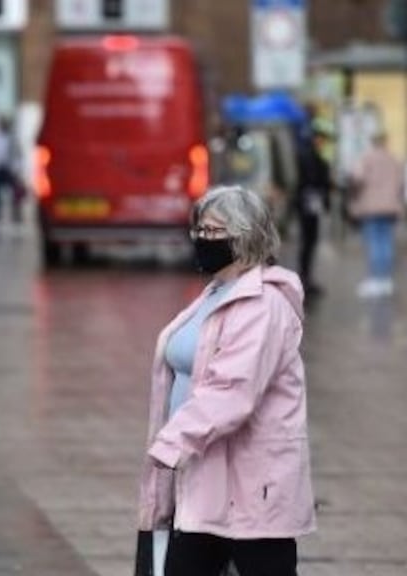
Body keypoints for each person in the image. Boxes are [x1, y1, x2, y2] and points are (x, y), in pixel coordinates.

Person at [137, 185, 316, 576]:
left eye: (213, 231)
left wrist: (170, 443)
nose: (201, 239)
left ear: (245, 234)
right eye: (198, 230)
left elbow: (232, 391)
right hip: (206, 471)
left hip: (253, 486)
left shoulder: (264, 304)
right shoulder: (217, 292)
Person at [349, 132, 405, 298]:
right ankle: (386, 280)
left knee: (373, 243)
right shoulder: (394, 160)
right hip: (390, 207)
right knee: (387, 243)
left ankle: (374, 280)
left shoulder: (366, 158)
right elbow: (402, 184)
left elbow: (357, 179)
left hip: (370, 207)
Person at [293, 129, 333, 297]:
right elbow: (314, 179)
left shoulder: (308, 155)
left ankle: (306, 276)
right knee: (309, 240)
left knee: (309, 240)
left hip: (308, 202)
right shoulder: (310, 156)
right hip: (309, 202)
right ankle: (305, 277)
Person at [0, 115, 24, 226]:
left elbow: (18, 155)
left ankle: (16, 214)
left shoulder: (12, 139)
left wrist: (17, 170)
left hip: (10, 169)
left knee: (16, 193)